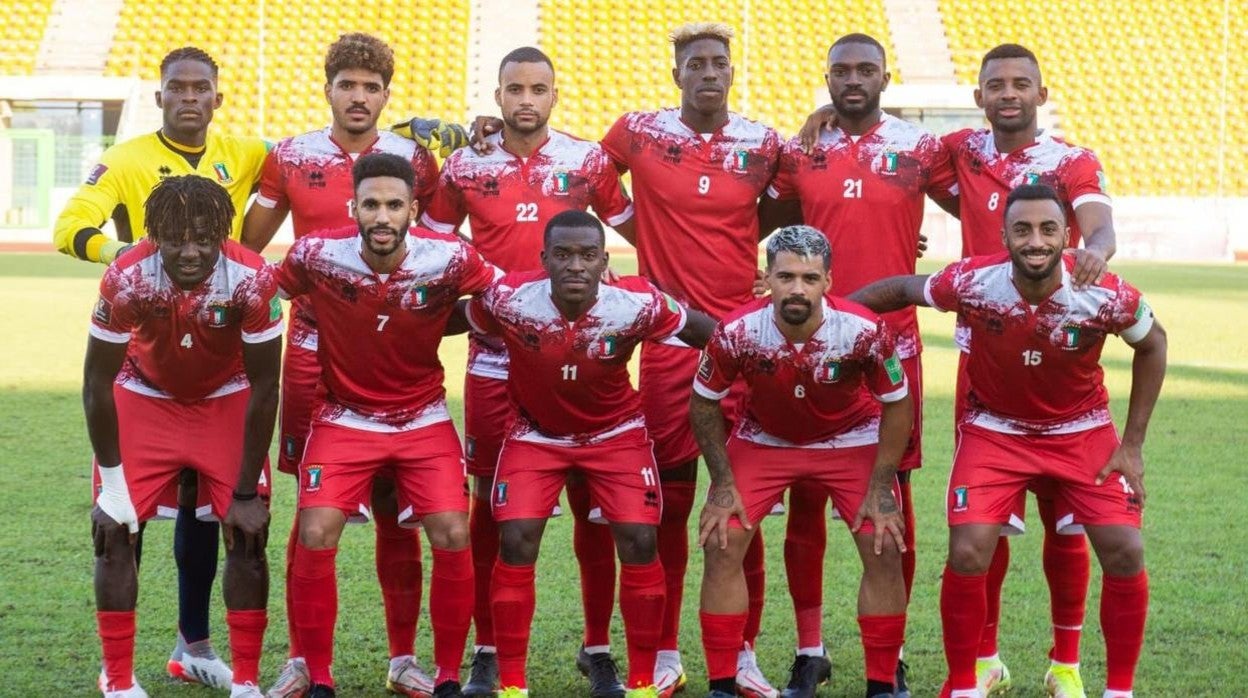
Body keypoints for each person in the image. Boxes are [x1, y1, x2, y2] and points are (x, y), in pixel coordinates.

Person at [849, 183, 1165, 698]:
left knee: (1125, 549)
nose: (1035, 241)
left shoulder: (1104, 291)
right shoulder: (974, 281)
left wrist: (1131, 445)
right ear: (1005, 235)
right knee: (970, 549)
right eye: (1022, 229)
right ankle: (964, 684)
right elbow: (902, 289)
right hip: (995, 430)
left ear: (1068, 235)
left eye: (1047, 229)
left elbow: (1154, 343)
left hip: (1081, 431)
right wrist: (838, 317)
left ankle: (1119, 691)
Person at [418, 45, 636, 698]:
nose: (526, 100)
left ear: (554, 95)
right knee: (489, 503)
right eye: (515, 88)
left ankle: (597, 647)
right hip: (494, 359)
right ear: (498, 96)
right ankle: (487, 647)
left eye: (538, 88)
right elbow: (431, 243)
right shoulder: (464, 164)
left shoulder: (588, 161)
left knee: (594, 503)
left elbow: (638, 228)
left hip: (577, 356)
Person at [58, 46, 269, 688]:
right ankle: (118, 677)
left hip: (221, 362)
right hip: (147, 367)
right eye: (175, 87)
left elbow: (327, 159)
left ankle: (216, 659)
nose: (188, 98)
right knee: (120, 524)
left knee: (231, 522)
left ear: (216, 97)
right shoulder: (125, 167)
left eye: (200, 87)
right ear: (160, 97)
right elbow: (70, 227)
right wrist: (134, 260)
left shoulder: (251, 155)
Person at [239, 32, 442, 698]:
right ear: (327, 88)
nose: (359, 97)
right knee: (313, 508)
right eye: (347, 84)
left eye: (371, 86)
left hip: (392, 353)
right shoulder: (290, 157)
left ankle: (404, 657)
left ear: (387, 94)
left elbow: (438, 249)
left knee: (394, 505)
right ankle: (302, 659)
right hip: (310, 356)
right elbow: (249, 249)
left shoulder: (414, 160)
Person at [758, 33, 957, 697]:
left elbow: (985, 201)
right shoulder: (802, 149)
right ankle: (809, 650)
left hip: (889, 346)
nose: (852, 79)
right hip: (807, 346)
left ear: (885, 76)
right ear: (826, 76)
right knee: (806, 498)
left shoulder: (922, 148)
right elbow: (765, 216)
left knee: (892, 502)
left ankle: (888, 653)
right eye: (840, 69)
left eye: (864, 69)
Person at [598, 24, 782, 696]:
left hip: (745, 342)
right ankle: (668, 652)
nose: (709, 72)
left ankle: (746, 653)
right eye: (695, 63)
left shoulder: (762, 143)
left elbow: (792, 202)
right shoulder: (640, 132)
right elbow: (588, 176)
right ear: (676, 72)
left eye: (719, 63)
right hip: (673, 343)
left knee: (745, 508)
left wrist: (773, 262)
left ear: (733, 71)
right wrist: (634, 228)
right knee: (670, 503)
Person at [463, 209, 715, 698]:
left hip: (616, 433)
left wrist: (760, 351)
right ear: (544, 260)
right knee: (514, 538)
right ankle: (511, 683)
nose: (574, 265)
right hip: (536, 435)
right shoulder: (511, 298)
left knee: (641, 541)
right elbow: (451, 319)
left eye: (586, 255)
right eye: (562, 255)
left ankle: (642, 682)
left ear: (605, 260)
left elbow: (707, 332)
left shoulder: (636, 302)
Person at [272, 152, 495, 698]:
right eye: (370, 204)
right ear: (353, 206)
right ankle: (317, 676)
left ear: (413, 209)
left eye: (394, 205)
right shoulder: (317, 254)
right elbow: (266, 293)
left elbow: (502, 294)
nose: (382, 216)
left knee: (452, 530)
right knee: (315, 529)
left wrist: (449, 318)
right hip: (344, 417)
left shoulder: (448, 258)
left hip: (422, 418)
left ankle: (443, 677)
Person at [692, 225, 912, 698]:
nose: (797, 289)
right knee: (722, 539)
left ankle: (881, 684)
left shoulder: (864, 330)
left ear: (828, 281)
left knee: (884, 543)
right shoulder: (737, 331)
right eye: (786, 276)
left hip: (849, 437)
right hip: (766, 438)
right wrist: (723, 482)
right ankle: (721, 684)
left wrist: (879, 486)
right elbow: (704, 401)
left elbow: (898, 402)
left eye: (809, 278)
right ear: (766, 278)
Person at [84, 175, 282, 698]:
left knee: (248, 535)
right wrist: (113, 487)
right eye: (175, 240)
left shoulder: (253, 278)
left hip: (227, 397)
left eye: (203, 238)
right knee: (116, 531)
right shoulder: (127, 276)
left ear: (223, 232)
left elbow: (265, 387)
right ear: (155, 236)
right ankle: (119, 681)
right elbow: (96, 383)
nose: (190, 252)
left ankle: (246, 682)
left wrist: (244, 494)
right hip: (144, 396)